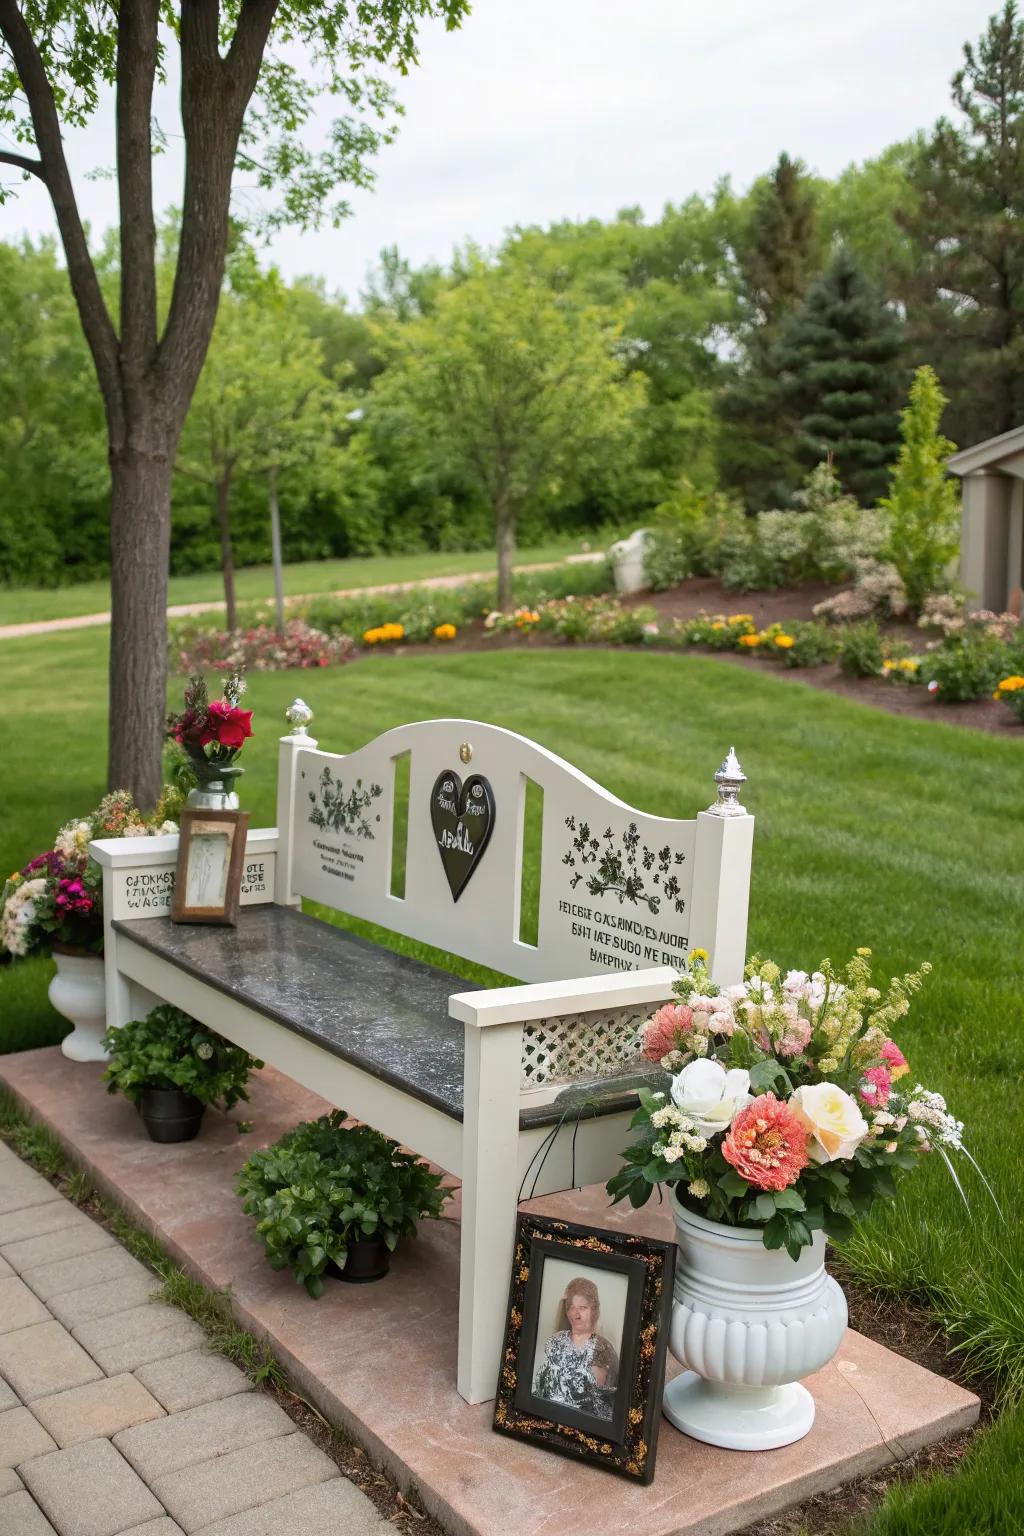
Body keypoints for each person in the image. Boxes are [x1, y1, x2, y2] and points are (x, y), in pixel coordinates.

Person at [532, 1275, 619, 1420]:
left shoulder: (602, 1348)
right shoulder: (555, 1341)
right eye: (572, 1307)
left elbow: (598, 1400)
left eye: (583, 1308)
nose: (576, 1314)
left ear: (594, 1311)